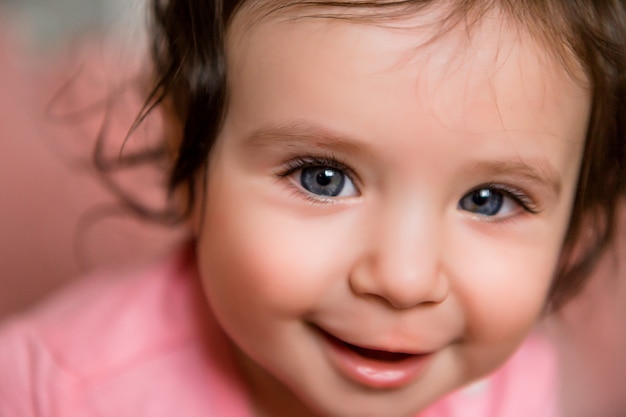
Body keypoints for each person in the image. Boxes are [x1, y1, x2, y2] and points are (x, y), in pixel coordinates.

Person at [0, 0, 624, 416]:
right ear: (186, 153)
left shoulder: (511, 386)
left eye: (488, 201)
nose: (404, 280)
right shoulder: (51, 391)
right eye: (324, 178)